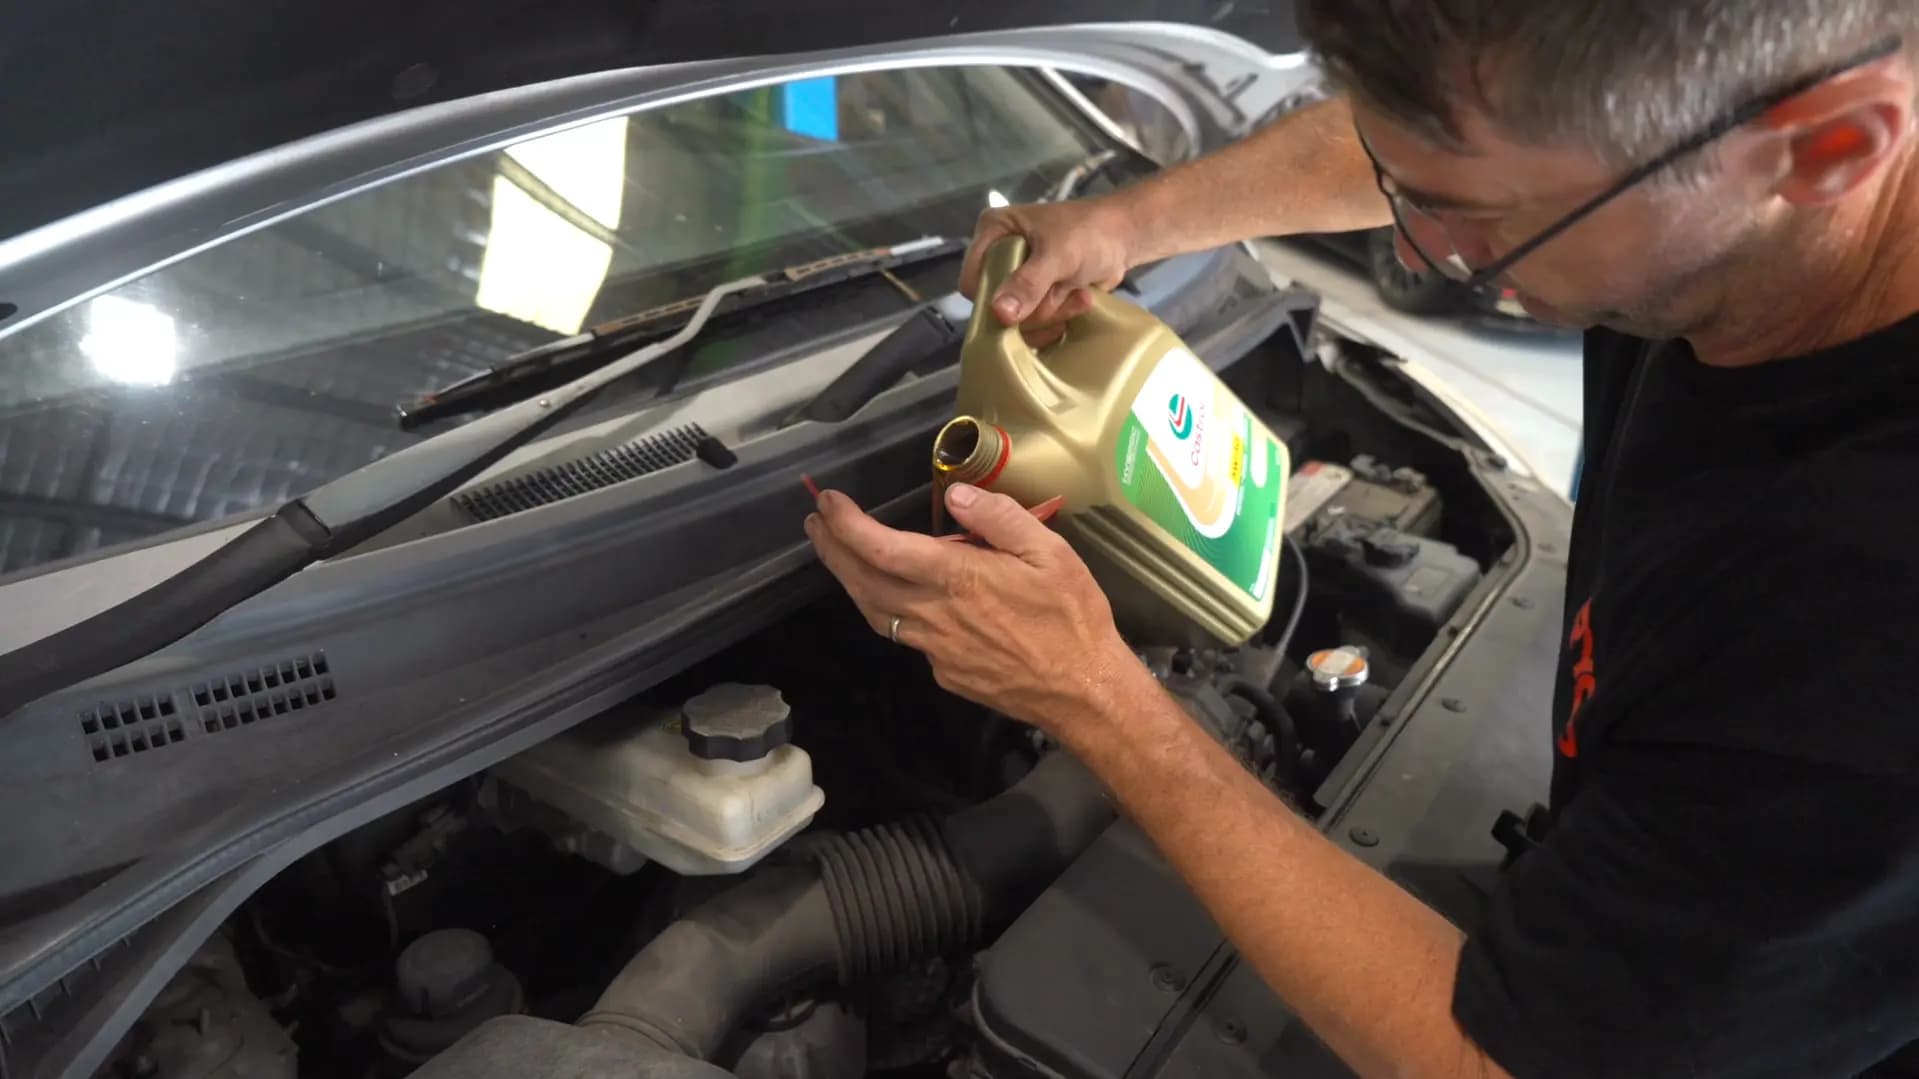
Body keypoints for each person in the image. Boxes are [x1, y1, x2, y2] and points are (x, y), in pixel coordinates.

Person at [804, 3, 1919, 1076]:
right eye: (1406, 193)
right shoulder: (1697, 157)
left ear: (1825, 147)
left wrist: (1093, 694)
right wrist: (1132, 222)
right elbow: (1439, 130)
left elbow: (1498, 1060)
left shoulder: (1861, 621)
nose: (1424, 252)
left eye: (1482, 225)